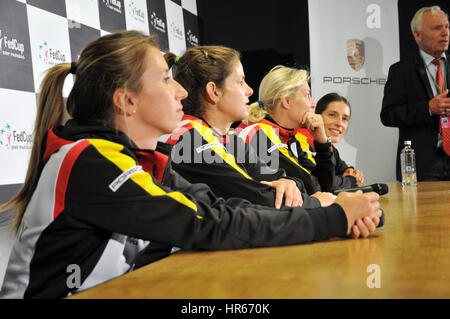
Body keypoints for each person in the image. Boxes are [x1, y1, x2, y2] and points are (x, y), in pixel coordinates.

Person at [0, 31, 381, 299]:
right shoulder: (89, 160)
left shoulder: (144, 158)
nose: (181, 90)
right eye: (166, 79)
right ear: (126, 101)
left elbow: (216, 207)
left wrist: (331, 210)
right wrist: (332, 219)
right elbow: (209, 224)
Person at [162, 46, 334, 209]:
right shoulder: (190, 139)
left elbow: (289, 183)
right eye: (240, 82)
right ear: (214, 92)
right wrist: (315, 203)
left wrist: (289, 184)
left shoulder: (230, 139)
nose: (250, 90)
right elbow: (262, 200)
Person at [238, 65, 336, 194]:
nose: (313, 104)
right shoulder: (258, 134)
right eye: (307, 95)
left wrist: (322, 143)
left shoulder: (290, 138)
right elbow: (312, 188)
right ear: (287, 101)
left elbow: (326, 187)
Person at [381, 5, 450, 181]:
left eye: (447, 27)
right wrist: (427, 108)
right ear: (417, 35)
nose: (445, 33)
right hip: (423, 165)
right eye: (437, 28)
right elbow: (388, 115)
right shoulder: (401, 71)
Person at [315, 92, 364, 189]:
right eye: (332, 115)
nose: (339, 123)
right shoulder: (302, 141)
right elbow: (325, 183)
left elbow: (341, 167)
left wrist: (350, 171)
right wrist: (351, 180)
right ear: (317, 116)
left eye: (345, 119)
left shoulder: (330, 147)